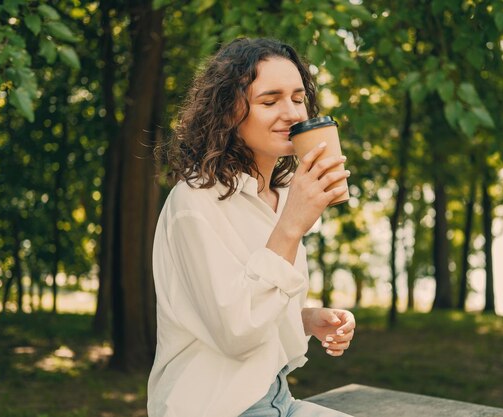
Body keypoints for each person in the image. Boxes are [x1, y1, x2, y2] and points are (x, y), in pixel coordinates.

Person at [148, 37, 356, 417]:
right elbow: (236, 334)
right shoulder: (194, 202)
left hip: (276, 398)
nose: (292, 113)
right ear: (229, 111)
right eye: (270, 100)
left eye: (297, 97)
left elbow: (254, 305)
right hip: (215, 406)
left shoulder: (278, 196)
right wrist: (291, 226)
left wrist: (306, 320)